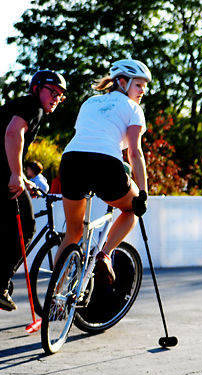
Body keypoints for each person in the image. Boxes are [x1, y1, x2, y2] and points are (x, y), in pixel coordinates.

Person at [55, 59, 150, 285]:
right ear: (122, 82)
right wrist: (143, 193)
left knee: (73, 233)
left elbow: (88, 135)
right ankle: (105, 253)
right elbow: (134, 152)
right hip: (105, 164)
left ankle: (54, 296)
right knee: (132, 209)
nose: (142, 92)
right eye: (138, 85)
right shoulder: (134, 109)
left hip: (71, 160)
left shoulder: (89, 102)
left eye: (144, 87)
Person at [0, 70, 67, 311]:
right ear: (37, 88)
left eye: (60, 96)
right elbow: (12, 133)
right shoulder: (32, 107)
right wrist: (17, 174)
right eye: (52, 92)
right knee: (26, 226)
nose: (56, 98)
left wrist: (22, 178)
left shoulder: (20, 105)